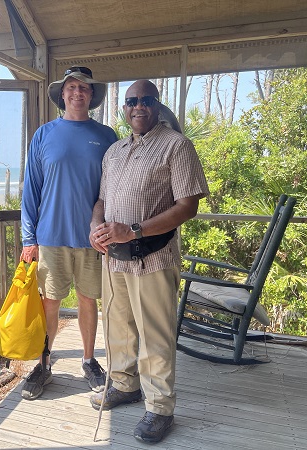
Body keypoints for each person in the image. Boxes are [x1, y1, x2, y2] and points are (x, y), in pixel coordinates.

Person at [88, 79, 209, 443]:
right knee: (118, 327)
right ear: (123, 108)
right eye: (130, 101)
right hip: (115, 259)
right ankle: (124, 385)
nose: (137, 106)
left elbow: (188, 205)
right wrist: (96, 227)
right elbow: (102, 201)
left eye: (145, 100)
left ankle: (159, 408)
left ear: (156, 105)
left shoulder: (176, 145)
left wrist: (135, 230)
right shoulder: (115, 151)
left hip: (153, 257)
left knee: (155, 335)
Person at [20, 66, 118, 400]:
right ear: (62, 94)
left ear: (92, 96)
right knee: (50, 303)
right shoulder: (44, 135)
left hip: (94, 239)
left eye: (85, 88)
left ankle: (89, 361)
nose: (78, 93)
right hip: (50, 236)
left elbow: (116, 188)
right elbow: (30, 190)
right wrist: (28, 239)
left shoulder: (107, 136)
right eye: (72, 87)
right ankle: (43, 363)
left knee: (89, 301)